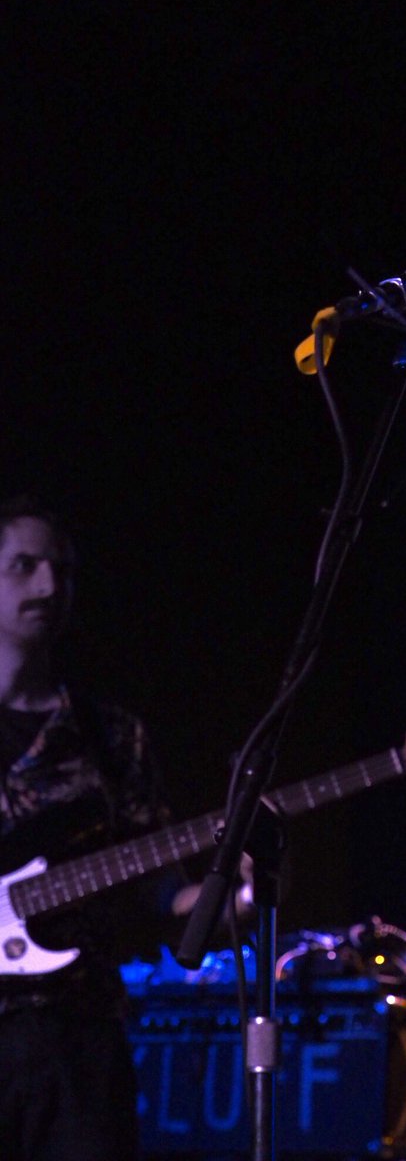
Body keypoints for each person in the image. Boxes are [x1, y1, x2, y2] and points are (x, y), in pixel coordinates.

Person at [0, 495, 197, 1161]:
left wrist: (220, 898)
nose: (48, 585)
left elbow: (157, 883)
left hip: (77, 1042)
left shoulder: (111, 735)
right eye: (24, 565)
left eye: (62, 570)